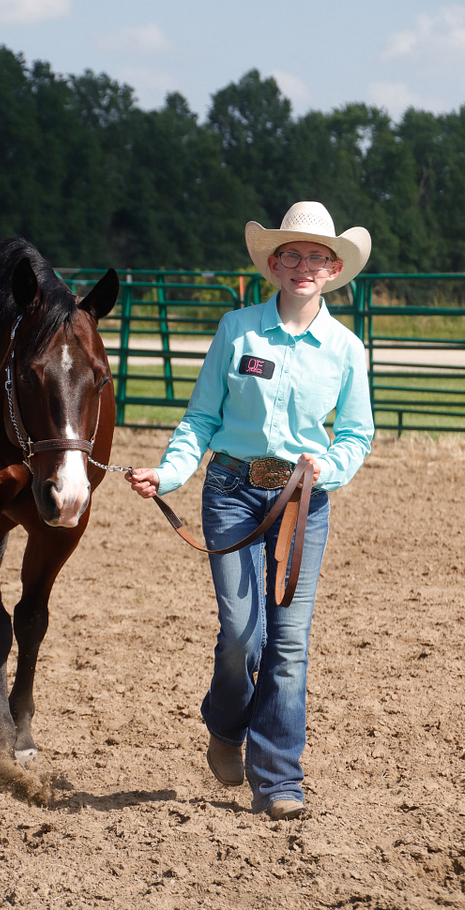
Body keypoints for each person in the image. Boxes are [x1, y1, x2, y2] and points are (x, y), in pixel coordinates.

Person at [126, 201, 374, 820]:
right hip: (231, 492)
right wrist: (168, 473)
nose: (303, 265)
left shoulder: (346, 349)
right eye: (292, 254)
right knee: (242, 633)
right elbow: (201, 418)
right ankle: (225, 724)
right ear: (273, 263)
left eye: (317, 256)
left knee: (288, 644)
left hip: (301, 502)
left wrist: (327, 467)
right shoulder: (236, 330)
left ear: (334, 268)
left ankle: (278, 781)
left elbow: (355, 435)